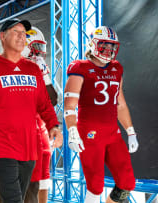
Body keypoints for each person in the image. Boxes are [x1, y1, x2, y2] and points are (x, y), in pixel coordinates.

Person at [0, 18, 63, 203]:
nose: (21, 36)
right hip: (2, 148)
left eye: (23, 33)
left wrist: (54, 126)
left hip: (29, 149)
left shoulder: (33, 69)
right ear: (3, 36)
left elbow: (45, 104)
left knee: (16, 196)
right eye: (15, 32)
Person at [63, 26, 138, 203]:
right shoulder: (80, 67)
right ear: (93, 44)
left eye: (112, 46)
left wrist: (131, 131)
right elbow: (70, 105)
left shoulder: (117, 68)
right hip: (89, 134)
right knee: (95, 185)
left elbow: (120, 104)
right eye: (105, 45)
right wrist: (72, 131)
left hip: (112, 134)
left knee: (127, 182)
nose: (109, 50)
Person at [0, 26, 58, 203]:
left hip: (37, 133)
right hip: (13, 136)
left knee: (35, 185)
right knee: (13, 187)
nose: (39, 54)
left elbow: (53, 99)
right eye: (36, 48)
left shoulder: (37, 68)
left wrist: (44, 75)